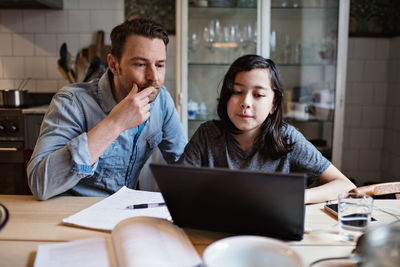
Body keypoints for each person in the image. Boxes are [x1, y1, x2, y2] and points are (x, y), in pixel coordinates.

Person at [28, 18, 187, 200]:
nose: (154, 77)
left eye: (159, 65)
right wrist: (115, 123)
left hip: (123, 213)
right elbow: (40, 185)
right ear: (113, 65)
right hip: (71, 215)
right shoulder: (71, 102)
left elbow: (184, 165)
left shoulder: (162, 100)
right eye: (140, 64)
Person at [178, 55, 355, 204]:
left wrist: (294, 197)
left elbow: (344, 185)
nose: (245, 102)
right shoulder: (207, 134)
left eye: (258, 95)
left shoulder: (286, 137)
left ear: (273, 104)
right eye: (238, 92)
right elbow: (178, 186)